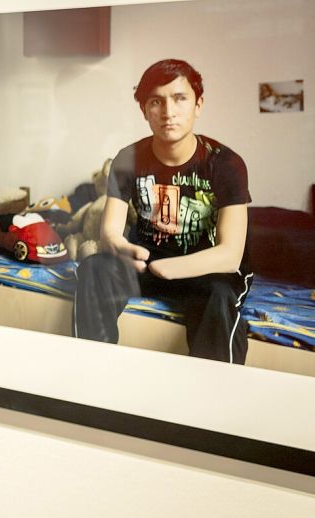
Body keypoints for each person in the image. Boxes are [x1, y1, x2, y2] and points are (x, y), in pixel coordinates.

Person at [73, 59, 252, 364]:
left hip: (205, 271)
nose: (169, 112)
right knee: (93, 269)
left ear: (198, 104)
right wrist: (121, 247)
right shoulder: (128, 158)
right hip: (145, 264)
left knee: (221, 297)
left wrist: (172, 267)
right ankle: (92, 370)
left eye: (180, 98)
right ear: (144, 110)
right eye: (157, 101)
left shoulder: (225, 163)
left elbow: (230, 254)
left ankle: (213, 395)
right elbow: (109, 234)